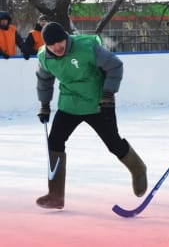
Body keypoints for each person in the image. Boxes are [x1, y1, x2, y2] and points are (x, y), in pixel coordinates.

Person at [35, 22, 148, 209]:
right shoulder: (44, 57)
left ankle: (138, 169)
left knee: (113, 143)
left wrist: (108, 94)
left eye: (60, 41)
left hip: (98, 102)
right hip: (70, 103)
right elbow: (44, 81)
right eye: (52, 44)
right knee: (54, 142)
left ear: (66, 37)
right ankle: (55, 194)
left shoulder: (87, 47)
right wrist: (44, 105)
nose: (57, 47)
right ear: (46, 45)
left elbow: (115, 66)